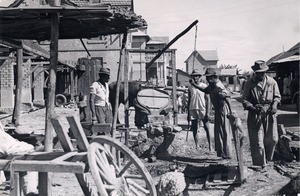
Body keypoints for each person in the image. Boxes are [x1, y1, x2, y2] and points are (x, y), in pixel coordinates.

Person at [242, 60, 281, 169]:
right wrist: (252, 107)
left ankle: (268, 159)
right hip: (255, 112)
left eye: (262, 72)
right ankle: (259, 164)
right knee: (257, 140)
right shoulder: (249, 83)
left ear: (265, 72)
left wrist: (275, 105)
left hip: (269, 112)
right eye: (258, 72)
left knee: (272, 138)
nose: (260, 75)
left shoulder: (272, 82)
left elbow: (277, 96)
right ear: (255, 72)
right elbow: (244, 99)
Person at [190, 68, 233, 158]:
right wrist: (194, 84)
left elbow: (228, 98)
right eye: (207, 78)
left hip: (223, 110)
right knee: (218, 132)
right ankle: (221, 153)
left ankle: (227, 153)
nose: (208, 80)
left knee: (225, 131)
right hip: (218, 110)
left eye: (210, 78)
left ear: (214, 77)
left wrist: (231, 112)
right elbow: (205, 90)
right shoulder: (212, 85)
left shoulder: (218, 86)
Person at [0, 121, 38, 195]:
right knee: (29, 159)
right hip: (6, 150)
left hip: (6, 149)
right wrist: (31, 147)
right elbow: (6, 148)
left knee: (27, 158)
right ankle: (29, 193)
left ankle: (28, 192)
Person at [187, 69, 212, 151]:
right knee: (194, 128)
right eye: (194, 76)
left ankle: (210, 146)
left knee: (206, 127)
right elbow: (189, 100)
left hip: (202, 108)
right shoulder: (190, 88)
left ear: (199, 77)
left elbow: (208, 100)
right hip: (193, 108)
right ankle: (196, 145)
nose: (195, 77)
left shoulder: (204, 86)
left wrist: (208, 112)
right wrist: (188, 113)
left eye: (197, 76)